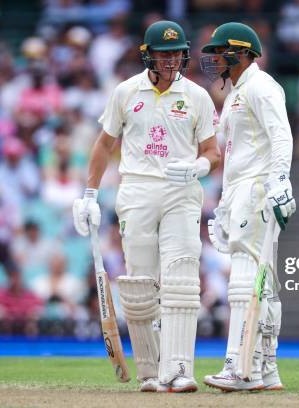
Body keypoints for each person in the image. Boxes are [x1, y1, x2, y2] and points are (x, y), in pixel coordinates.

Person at [72, 21, 220, 393]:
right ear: (148, 55)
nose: (172, 60)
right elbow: (104, 145)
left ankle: (181, 368)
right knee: (140, 284)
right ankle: (150, 373)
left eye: (177, 53)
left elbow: (213, 152)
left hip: (181, 191)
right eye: (164, 53)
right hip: (136, 190)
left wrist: (198, 168)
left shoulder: (197, 96)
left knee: (181, 278)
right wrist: (90, 194)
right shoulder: (125, 92)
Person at [200, 22, 296, 391]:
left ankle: (240, 367)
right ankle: (266, 369)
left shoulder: (261, 86)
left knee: (246, 280)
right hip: (242, 191)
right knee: (263, 282)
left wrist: (278, 181)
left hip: (258, 190)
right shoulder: (236, 92)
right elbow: (229, 149)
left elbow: (281, 135)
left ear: (241, 53)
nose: (214, 59)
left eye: (220, 51)